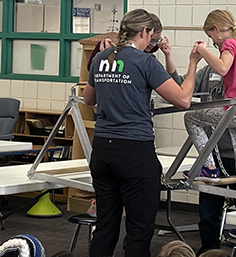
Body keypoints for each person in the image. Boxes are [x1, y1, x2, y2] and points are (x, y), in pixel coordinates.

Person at [83, 8, 201, 257]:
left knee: (105, 224)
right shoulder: (146, 62)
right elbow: (183, 99)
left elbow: (87, 98)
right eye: (152, 36)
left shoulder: (101, 58)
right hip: (134, 150)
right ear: (145, 32)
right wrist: (192, 65)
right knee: (138, 229)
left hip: (103, 149)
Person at [160, 32, 236, 252]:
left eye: (216, 38)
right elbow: (182, 86)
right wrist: (168, 56)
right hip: (216, 148)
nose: (216, 44)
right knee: (208, 211)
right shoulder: (211, 68)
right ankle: (209, 251)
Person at [182, 9, 236, 242]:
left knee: (191, 117)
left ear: (217, 30)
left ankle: (208, 166)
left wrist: (202, 51)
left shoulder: (229, 45)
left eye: (211, 35)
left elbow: (222, 68)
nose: (212, 41)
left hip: (235, 111)